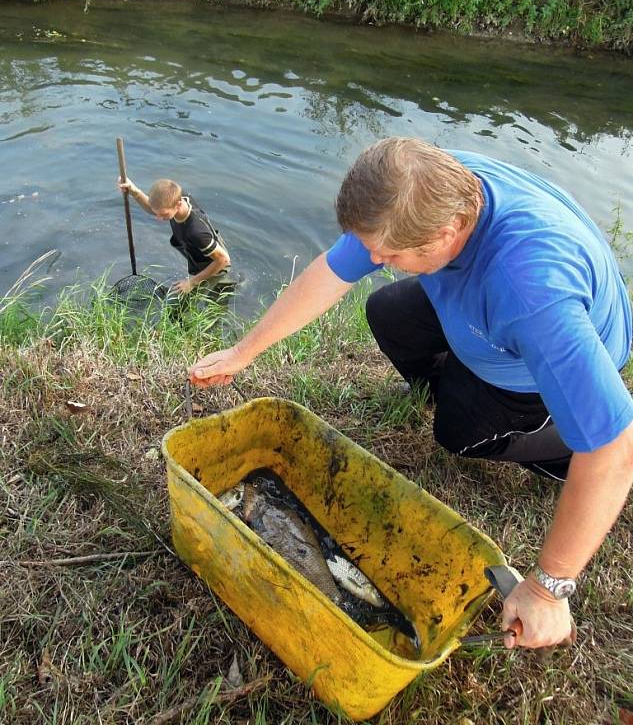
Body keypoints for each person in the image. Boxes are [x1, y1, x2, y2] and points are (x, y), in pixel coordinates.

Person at [188, 137, 633, 650]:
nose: (375, 259)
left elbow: (610, 449)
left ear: (447, 232)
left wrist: (549, 589)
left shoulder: (532, 294)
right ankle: (462, 383)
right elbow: (333, 272)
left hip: (534, 363)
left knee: (459, 432)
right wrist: (244, 351)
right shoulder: (422, 186)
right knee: (387, 313)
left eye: (389, 254)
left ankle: (546, 444)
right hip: (492, 313)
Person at [118, 177, 231, 295]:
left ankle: (224, 288)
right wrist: (134, 191)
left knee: (194, 299)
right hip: (202, 254)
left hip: (215, 267)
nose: (158, 218)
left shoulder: (196, 232)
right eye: (158, 213)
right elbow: (155, 209)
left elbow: (223, 260)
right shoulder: (175, 200)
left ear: (178, 204)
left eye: (163, 214)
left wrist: (191, 282)